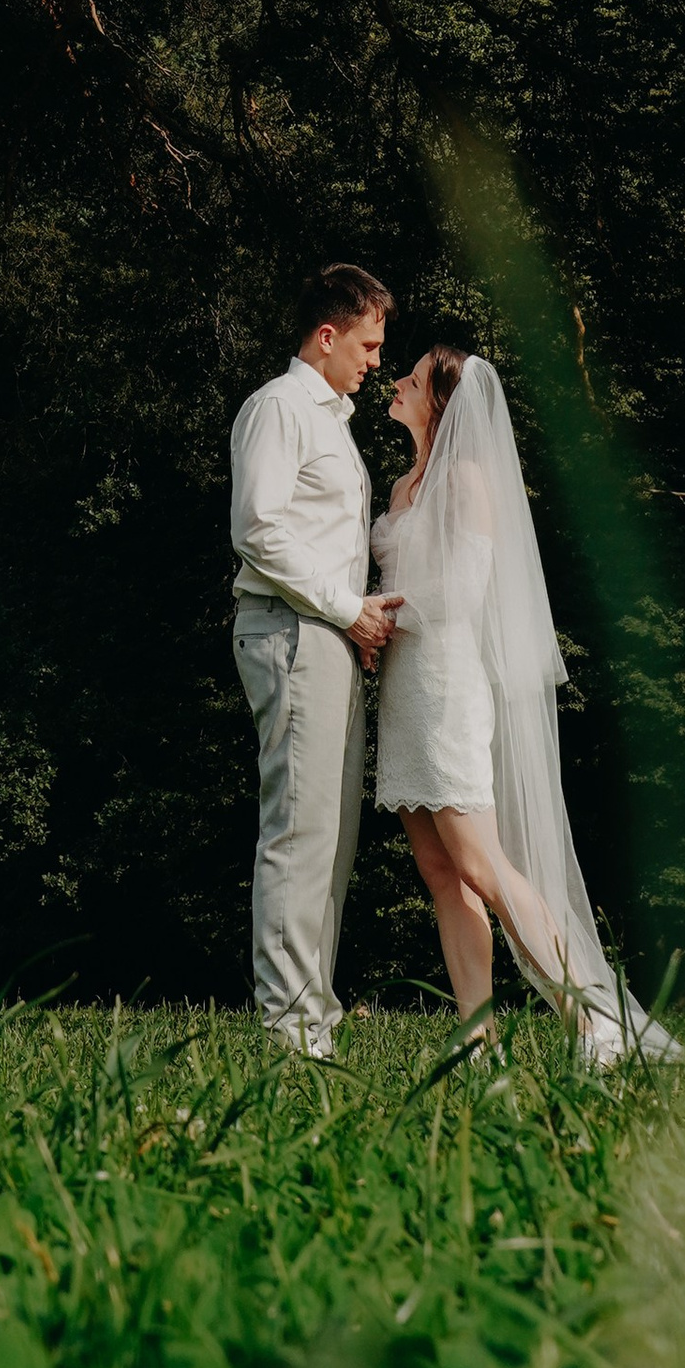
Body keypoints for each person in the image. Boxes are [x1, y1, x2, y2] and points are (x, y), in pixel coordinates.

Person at [371, 341, 679, 1066]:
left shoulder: (466, 481)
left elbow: (462, 592)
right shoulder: (403, 484)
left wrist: (383, 612)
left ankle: (595, 1021)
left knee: (483, 865)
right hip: (403, 692)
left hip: (447, 686)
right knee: (441, 873)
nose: (397, 382)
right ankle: (477, 1040)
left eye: (413, 379)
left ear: (441, 404)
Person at [228, 263, 404, 1055]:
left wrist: (353, 622)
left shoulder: (332, 421)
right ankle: (292, 1031)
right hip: (290, 632)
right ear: (326, 336)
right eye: (367, 345)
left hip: (323, 635)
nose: (376, 361)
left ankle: (314, 1016)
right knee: (300, 832)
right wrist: (345, 610)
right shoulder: (279, 407)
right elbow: (258, 530)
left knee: (330, 836)